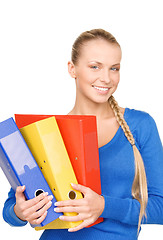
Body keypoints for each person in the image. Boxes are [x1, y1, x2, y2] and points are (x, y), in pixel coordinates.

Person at [3, 29, 163, 240]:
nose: (106, 78)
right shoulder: (47, 131)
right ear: (72, 69)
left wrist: (104, 206)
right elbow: (11, 206)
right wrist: (20, 213)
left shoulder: (140, 125)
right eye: (95, 66)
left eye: (114, 68)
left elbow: (160, 207)